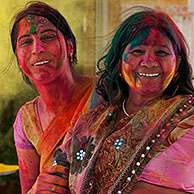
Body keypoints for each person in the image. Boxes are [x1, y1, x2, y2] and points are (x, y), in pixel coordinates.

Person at [32, 6, 194, 194]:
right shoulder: (90, 123)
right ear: (119, 62)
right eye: (137, 51)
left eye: (161, 53)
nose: (149, 61)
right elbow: (52, 179)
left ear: (178, 62)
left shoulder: (188, 117)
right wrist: (42, 186)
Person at [11, 1, 98, 193]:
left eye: (48, 37)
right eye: (26, 42)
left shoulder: (104, 94)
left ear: (69, 46)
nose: (37, 48)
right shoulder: (27, 119)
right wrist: (37, 190)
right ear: (18, 56)